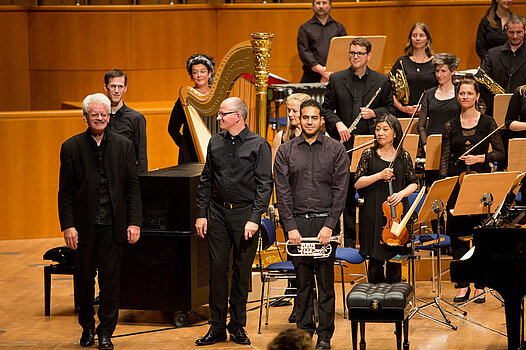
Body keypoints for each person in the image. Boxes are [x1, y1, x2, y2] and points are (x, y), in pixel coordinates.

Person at [58, 93, 142, 350]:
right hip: (83, 227)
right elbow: (65, 191)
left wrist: (134, 222)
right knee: (84, 279)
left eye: (103, 114)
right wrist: (68, 225)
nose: (99, 118)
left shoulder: (123, 145)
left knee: (110, 281)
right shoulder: (71, 147)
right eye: (94, 114)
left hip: (114, 225)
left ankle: (106, 331)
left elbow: (132, 187)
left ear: (108, 117)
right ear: (85, 117)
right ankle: (87, 327)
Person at [194, 97, 273, 346]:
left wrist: (254, 218)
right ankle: (216, 326)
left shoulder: (258, 144)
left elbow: (264, 185)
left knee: (241, 272)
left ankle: (237, 325)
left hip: (244, 214)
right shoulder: (215, 142)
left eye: (222, 114)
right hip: (217, 212)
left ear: (238, 116)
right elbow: (207, 179)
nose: (218, 118)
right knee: (217, 270)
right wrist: (201, 213)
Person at [274, 99, 349, 350]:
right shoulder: (285, 151)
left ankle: (324, 336)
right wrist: (290, 227)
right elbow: (282, 192)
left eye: (314, 118)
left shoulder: (336, 149)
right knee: (303, 283)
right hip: (296, 225)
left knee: (325, 284)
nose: (309, 122)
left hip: (324, 224)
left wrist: (329, 225)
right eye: (305, 117)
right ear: (299, 119)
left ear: (321, 120)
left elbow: (340, 191)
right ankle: (304, 334)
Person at [322, 36, 394, 248]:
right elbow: (326, 109)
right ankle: (347, 244)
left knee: (369, 195)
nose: (355, 57)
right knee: (344, 196)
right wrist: (338, 124)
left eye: (360, 54)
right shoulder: (337, 79)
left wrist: (374, 113)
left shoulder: (381, 81)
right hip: (344, 146)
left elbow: (390, 109)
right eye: (352, 53)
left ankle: (369, 244)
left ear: (368, 56)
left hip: (372, 146)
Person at [439, 79, 505, 303]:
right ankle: (462, 284)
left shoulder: (487, 123)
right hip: (457, 186)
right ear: (457, 97)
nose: (465, 97)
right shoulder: (450, 125)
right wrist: (445, 189)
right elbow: (444, 161)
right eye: (461, 93)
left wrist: (480, 158)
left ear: (477, 97)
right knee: (457, 235)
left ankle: (480, 284)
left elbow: (500, 153)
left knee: (480, 235)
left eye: (469, 93)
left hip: (480, 186)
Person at [354, 114, 418, 284]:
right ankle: (374, 302)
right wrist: (379, 175)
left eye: (385, 129)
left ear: (395, 133)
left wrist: (401, 194)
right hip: (374, 211)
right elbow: (357, 183)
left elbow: (414, 184)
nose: (380, 133)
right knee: (375, 262)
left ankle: (394, 302)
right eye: (377, 129)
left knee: (395, 261)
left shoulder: (403, 156)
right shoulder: (368, 154)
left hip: (397, 213)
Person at [168, 54, 215, 164]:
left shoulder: (218, 98)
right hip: (190, 155)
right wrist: (185, 145)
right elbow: (172, 129)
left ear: (210, 73)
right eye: (195, 72)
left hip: (215, 150)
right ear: (191, 75)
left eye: (202, 71)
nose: (199, 75)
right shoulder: (184, 98)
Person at [103, 69, 148, 174]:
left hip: (126, 176)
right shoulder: (100, 118)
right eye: (113, 86)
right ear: (106, 87)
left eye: (120, 87)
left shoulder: (136, 118)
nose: (117, 91)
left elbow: (142, 157)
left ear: (125, 88)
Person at [481, 13, 526, 114]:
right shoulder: (492, 54)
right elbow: (482, 84)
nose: (515, 36)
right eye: (511, 32)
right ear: (506, 31)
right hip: (495, 110)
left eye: (519, 32)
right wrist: (495, 106)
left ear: (525, 30)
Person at [390, 22, 437, 118]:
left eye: (421, 35)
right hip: (403, 114)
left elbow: (442, 89)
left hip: (430, 114)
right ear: (410, 39)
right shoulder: (402, 62)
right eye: (414, 35)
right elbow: (389, 90)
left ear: (427, 39)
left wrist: (425, 108)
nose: (418, 39)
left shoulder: (436, 63)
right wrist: (402, 108)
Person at [297, 0, 347, 83]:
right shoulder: (304, 28)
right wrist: (323, 73)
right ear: (313, 5)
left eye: (324, 3)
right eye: (317, 3)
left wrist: (330, 74)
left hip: (335, 75)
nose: (321, 6)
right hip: (312, 77)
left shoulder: (339, 27)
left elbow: (343, 51)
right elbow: (304, 52)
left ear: (330, 5)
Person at [418, 53, 460, 150]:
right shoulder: (428, 94)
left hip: (454, 143)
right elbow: (421, 126)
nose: (439, 75)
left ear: (453, 72)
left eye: (443, 71)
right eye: (437, 71)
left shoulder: (459, 93)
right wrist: (425, 144)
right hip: (432, 143)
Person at [272, 93, 311, 164]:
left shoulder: (322, 136)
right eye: (289, 110)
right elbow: (273, 168)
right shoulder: (280, 137)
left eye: (294, 111)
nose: (290, 114)